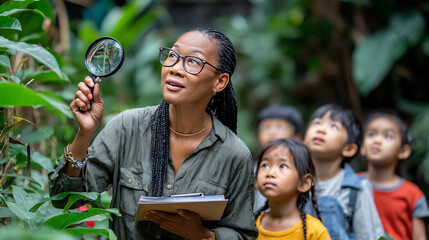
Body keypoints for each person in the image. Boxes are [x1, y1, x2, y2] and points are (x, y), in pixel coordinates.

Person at [49, 27, 258, 240]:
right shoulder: (126, 127)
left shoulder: (234, 155)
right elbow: (65, 200)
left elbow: (243, 234)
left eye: (193, 61)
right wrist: (84, 133)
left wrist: (204, 235)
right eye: (172, 56)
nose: (175, 68)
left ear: (219, 82)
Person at [303, 104, 384, 240]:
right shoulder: (292, 181)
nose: (321, 130)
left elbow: (369, 236)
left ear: (349, 149)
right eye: (317, 123)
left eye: (334, 126)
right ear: (304, 139)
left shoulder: (357, 189)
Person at [359, 111, 429, 240]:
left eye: (388, 136)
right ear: (363, 147)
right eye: (371, 134)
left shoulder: (413, 195)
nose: (377, 140)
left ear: (404, 151)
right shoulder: (349, 183)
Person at [255, 138, 331, 240]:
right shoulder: (251, 226)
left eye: (283, 166)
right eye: (265, 165)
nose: (270, 173)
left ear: (304, 183)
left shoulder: (315, 232)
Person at [254, 104, 304, 212]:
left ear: (297, 137)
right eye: (266, 127)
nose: (272, 132)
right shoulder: (251, 170)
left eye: (280, 127)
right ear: (257, 136)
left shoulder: (300, 168)